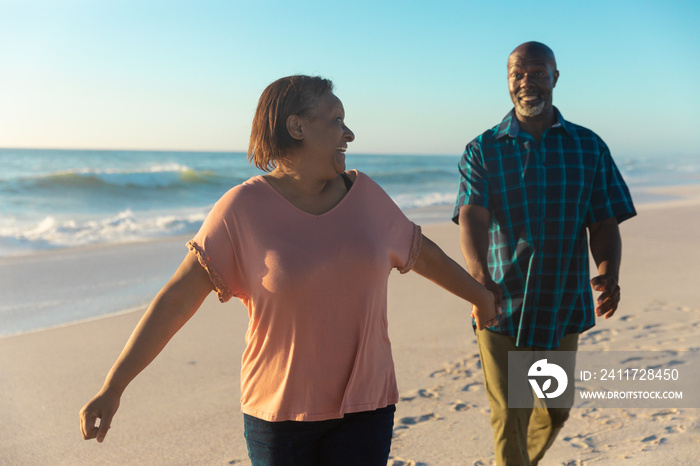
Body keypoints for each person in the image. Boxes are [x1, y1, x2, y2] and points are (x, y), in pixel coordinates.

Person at [80, 75, 499, 465]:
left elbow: (423, 254)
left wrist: (481, 298)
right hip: (278, 417)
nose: (348, 134)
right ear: (296, 127)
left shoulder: (367, 196)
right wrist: (113, 386)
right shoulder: (241, 209)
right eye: (336, 122)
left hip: (367, 407)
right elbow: (176, 301)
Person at [453, 42, 636, 465]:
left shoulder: (588, 147)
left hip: (562, 301)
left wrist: (609, 271)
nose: (526, 82)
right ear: (507, 80)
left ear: (555, 78)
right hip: (500, 303)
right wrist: (479, 277)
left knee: (555, 411)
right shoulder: (483, 149)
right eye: (518, 74)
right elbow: (472, 219)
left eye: (537, 73)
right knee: (509, 414)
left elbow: (604, 221)